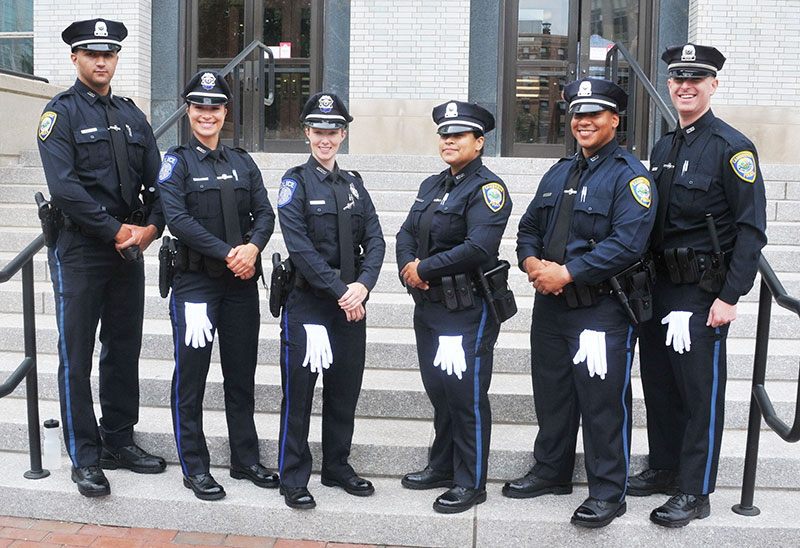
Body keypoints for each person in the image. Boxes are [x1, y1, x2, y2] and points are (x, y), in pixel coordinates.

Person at [505, 78, 656, 528]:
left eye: (594, 115)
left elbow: (628, 242)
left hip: (601, 309)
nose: (583, 122)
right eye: (577, 115)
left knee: (602, 400)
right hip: (552, 306)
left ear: (614, 119)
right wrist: (532, 263)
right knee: (552, 394)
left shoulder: (630, 175)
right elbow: (529, 225)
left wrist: (567, 272)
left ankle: (609, 491)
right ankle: (552, 471)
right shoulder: (559, 171)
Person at [631, 44, 767, 527]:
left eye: (696, 79)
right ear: (669, 85)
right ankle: (665, 467)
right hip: (659, 285)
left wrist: (730, 295)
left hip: (702, 290)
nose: (685, 86)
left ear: (714, 85)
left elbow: (751, 230)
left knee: (698, 391)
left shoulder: (734, 148)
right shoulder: (664, 147)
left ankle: (695, 489)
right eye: (677, 79)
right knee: (660, 385)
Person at [37, 18, 166, 498]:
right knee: (77, 355)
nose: (100, 61)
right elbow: (65, 189)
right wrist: (115, 231)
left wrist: (151, 228)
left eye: (108, 54)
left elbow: (160, 182)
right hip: (81, 251)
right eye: (91, 54)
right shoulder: (61, 114)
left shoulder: (133, 117)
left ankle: (119, 440)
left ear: (116, 59)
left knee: (123, 348)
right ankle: (85, 457)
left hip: (128, 250)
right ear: (75, 58)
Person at [157, 70, 277, 501]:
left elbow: (265, 212)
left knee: (240, 377)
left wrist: (254, 248)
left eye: (215, 107)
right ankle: (195, 466)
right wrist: (232, 253)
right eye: (199, 107)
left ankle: (245, 460)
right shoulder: (176, 163)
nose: (207, 114)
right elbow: (179, 221)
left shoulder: (243, 162)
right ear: (189, 112)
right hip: (195, 287)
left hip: (240, 287)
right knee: (191, 376)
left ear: (225, 112)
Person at [396, 101, 511, 514]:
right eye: (444, 134)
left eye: (459, 135)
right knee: (440, 392)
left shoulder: (488, 189)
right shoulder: (432, 184)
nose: (449, 140)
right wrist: (409, 267)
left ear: (479, 143)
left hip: (465, 310)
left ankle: (470, 480)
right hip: (428, 306)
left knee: (465, 396)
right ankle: (442, 465)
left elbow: (479, 246)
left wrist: (423, 267)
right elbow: (406, 231)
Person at [275, 92, 385, 509]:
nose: (326, 139)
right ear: (307, 133)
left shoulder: (354, 183)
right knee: (300, 394)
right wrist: (343, 292)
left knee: (344, 390)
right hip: (309, 306)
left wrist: (365, 285)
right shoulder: (295, 183)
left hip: (351, 305)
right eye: (318, 131)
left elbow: (375, 238)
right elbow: (299, 248)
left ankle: (337, 465)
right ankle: (294, 476)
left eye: (333, 132)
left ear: (343, 134)